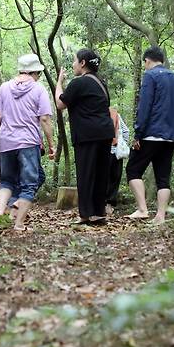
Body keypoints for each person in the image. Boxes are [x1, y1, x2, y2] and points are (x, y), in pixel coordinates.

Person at [0, 54, 55, 231]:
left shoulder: (4, 88)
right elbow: (45, 119)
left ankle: (1, 209)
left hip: (6, 141)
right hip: (28, 142)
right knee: (29, 184)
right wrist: (51, 144)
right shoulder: (39, 89)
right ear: (35, 72)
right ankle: (18, 223)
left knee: (7, 180)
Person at [126, 46, 174, 223]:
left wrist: (138, 133)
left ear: (147, 61)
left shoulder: (150, 76)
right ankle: (160, 216)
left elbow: (144, 106)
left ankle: (142, 209)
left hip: (151, 134)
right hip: (172, 136)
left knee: (133, 170)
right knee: (163, 177)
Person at [55, 49, 114, 224]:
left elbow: (60, 103)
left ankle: (86, 214)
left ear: (82, 63)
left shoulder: (79, 83)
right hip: (105, 132)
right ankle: (98, 212)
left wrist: (59, 82)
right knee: (100, 174)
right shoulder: (101, 83)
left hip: (87, 134)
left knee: (86, 173)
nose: (73, 64)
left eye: (75, 61)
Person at [105, 107, 130, 214]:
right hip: (115, 152)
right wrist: (122, 143)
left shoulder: (94, 112)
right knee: (114, 178)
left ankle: (99, 204)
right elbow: (125, 131)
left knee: (101, 178)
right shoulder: (114, 113)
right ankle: (109, 205)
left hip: (100, 152)